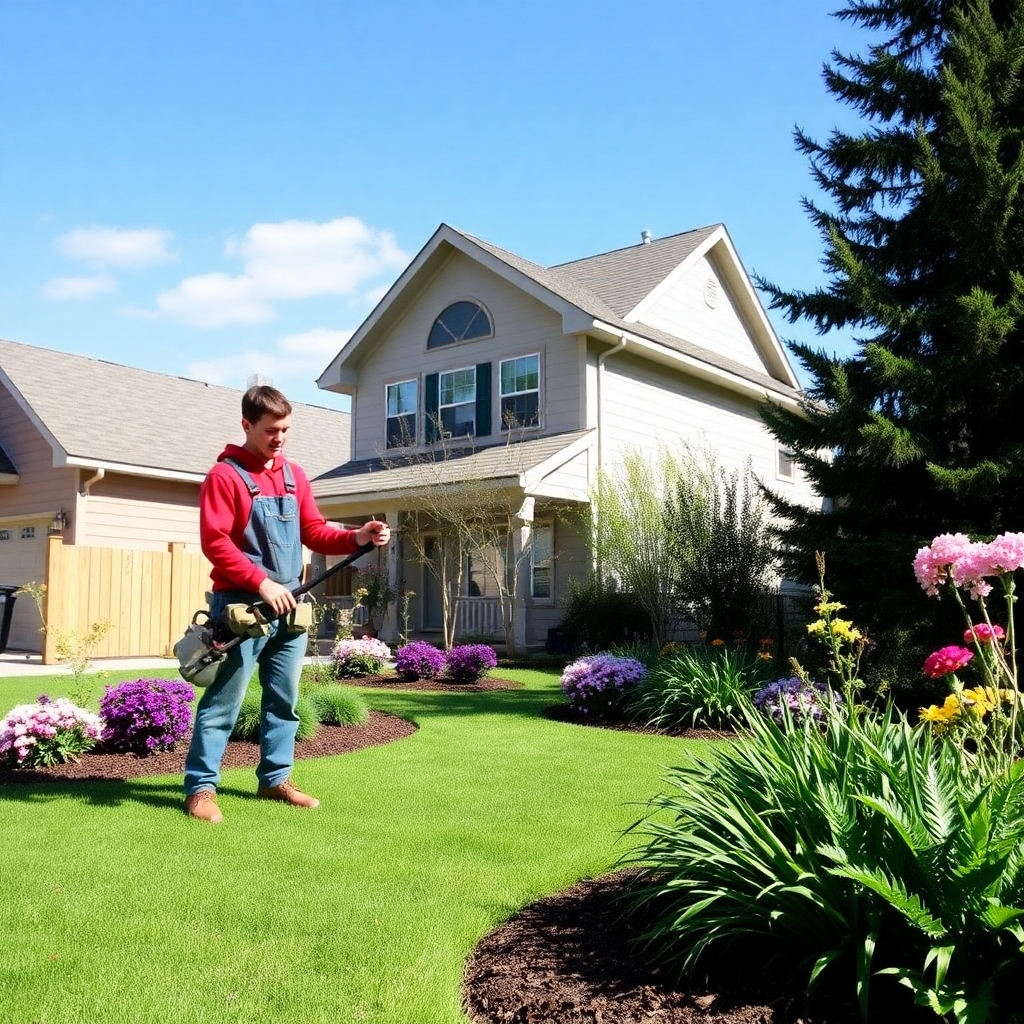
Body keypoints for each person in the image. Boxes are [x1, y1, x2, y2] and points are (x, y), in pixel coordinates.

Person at [183, 385, 390, 823]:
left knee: (284, 701)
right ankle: (201, 789)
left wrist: (356, 536)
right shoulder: (225, 477)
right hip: (243, 609)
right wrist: (260, 582)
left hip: (290, 609)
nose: (279, 438)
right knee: (224, 702)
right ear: (246, 426)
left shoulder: (294, 475)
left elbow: (314, 531)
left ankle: (275, 779)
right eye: (271, 430)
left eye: (286, 430)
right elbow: (215, 542)